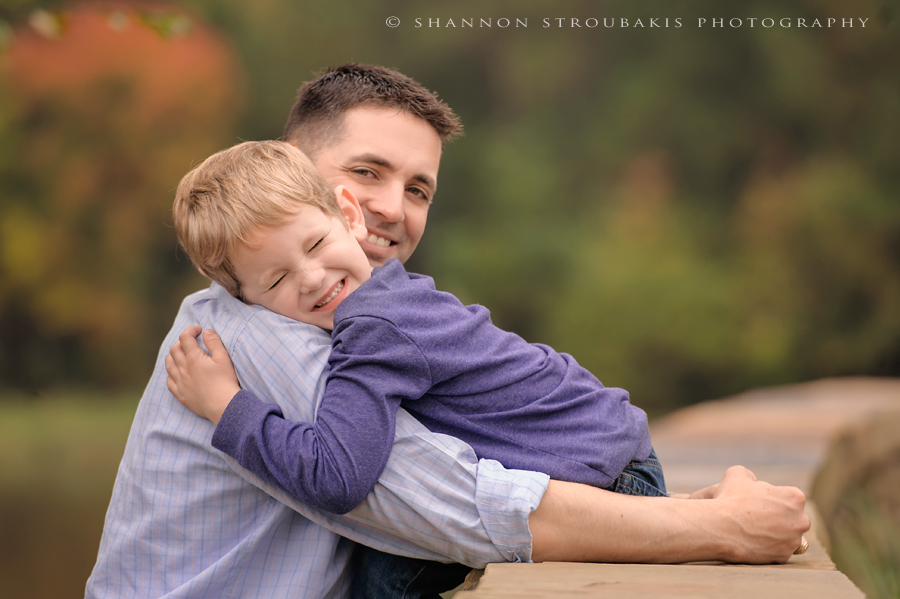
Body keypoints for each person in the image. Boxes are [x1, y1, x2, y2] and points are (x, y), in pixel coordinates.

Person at [86, 64, 809, 599]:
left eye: (418, 189)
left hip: (601, 454)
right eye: (368, 171)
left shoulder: (354, 317)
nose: (391, 210)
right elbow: (452, 504)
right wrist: (722, 527)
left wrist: (699, 519)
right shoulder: (264, 334)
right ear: (313, 183)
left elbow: (443, 493)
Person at [166, 139, 669, 594]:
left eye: (316, 245)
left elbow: (337, 477)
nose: (313, 278)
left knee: (379, 574)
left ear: (349, 216)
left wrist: (226, 407)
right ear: (245, 303)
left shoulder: (373, 327)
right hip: (617, 452)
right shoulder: (392, 300)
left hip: (608, 486)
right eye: (276, 280)